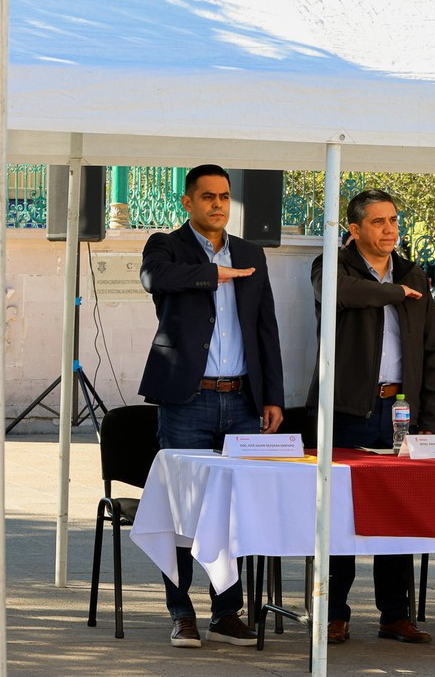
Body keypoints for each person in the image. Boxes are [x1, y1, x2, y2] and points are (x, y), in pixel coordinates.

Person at [139, 163, 285, 649]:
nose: (218, 204)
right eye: (208, 197)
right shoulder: (166, 245)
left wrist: (273, 396)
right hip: (188, 399)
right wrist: (213, 275)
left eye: (224, 196)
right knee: (182, 512)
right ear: (188, 202)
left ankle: (226, 612)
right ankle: (181, 613)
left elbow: (265, 327)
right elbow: (153, 278)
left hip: (241, 401)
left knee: (235, 512)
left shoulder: (250, 252)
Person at [309, 188, 435, 645]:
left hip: (400, 411)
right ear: (354, 229)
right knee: (340, 516)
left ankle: (394, 615)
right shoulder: (333, 265)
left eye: (393, 220)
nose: (390, 230)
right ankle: (333, 614)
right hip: (348, 411)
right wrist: (393, 292)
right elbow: (342, 293)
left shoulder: (413, 274)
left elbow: (431, 351)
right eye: (378, 222)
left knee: (398, 514)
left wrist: (430, 420)